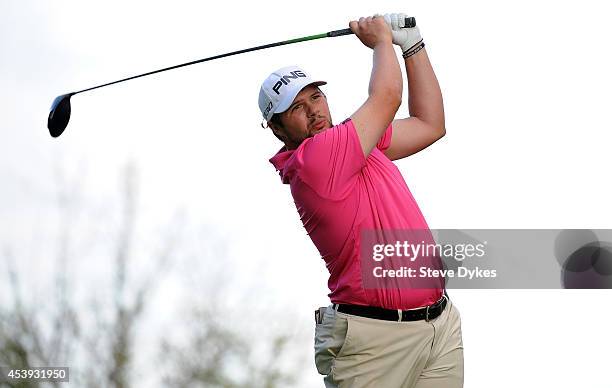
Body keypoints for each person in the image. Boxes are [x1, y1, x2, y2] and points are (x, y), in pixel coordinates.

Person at [258, 13, 464, 388]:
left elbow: (429, 124)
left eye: (315, 96)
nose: (313, 110)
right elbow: (386, 97)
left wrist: (413, 46)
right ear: (277, 128)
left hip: (439, 327)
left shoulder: (354, 142)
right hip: (374, 342)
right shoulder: (314, 161)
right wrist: (382, 42)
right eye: (296, 108)